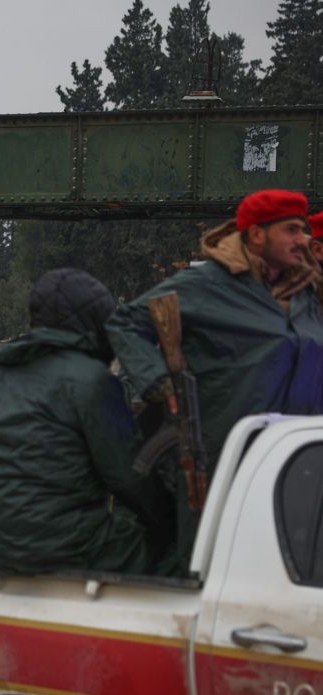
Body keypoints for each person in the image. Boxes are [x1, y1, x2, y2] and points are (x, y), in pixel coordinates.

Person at [107, 189, 323, 562]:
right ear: (257, 235)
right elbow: (126, 322)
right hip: (222, 460)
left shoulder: (304, 293)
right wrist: (157, 380)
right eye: (291, 230)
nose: (302, 240)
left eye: (304, 231)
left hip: (296, 461)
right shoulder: (208, 285)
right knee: (211, 566)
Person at [0, 269, 165, 576]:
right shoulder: (92, 381)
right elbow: (130, 478)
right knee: (170, 552)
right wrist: (171, 515)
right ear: (95, 323)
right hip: (61, 547)